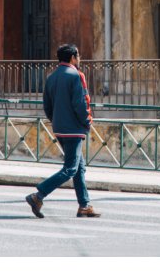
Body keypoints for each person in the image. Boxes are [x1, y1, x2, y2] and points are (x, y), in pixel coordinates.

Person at [26, 43, 100, 218]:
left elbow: (47, 105)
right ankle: (39, 195)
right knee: (70, 168)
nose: (79, 59)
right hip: (74, 128)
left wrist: (56, 121)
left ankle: (84, 205)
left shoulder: (51, 77)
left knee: (79, 167)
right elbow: (81, 103)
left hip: (59, 128)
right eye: (78, 56)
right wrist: (87, 121)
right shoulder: (76, 75)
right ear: (73, 57)